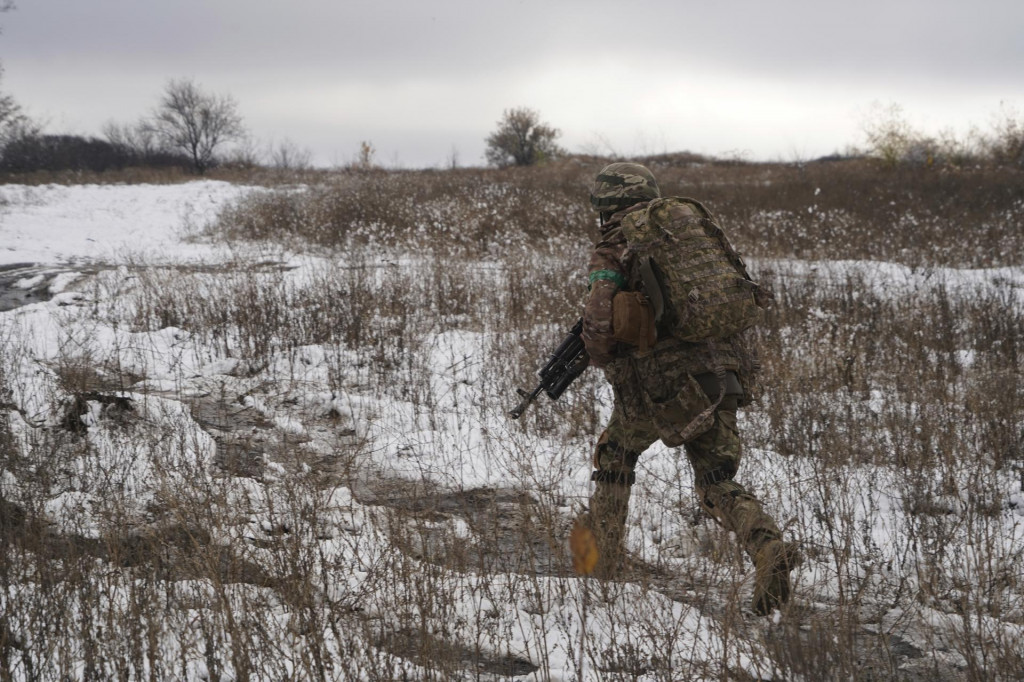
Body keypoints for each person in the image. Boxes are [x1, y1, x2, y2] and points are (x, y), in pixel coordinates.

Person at [576, 162, 799, 616]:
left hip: (664, 385)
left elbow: (599, 323)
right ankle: (766, 545)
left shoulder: (616, 244)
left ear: (606, 207)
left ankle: (602, 567)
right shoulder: (685, 231)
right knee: (718, 479)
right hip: (724, 371)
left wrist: (600, 352)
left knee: (616, 454)